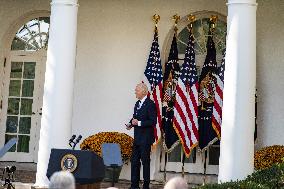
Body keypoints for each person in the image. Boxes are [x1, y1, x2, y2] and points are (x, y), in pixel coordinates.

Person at [126, 83, 157, 189]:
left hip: (146, 139)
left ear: (143, 92)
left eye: (137, 90)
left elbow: (153, 121)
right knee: (134, 162)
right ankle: (134, 186)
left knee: (145, 162)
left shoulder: (150, 104)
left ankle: (146, 186)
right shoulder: (137, 103)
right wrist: (130, 124)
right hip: (137, 138)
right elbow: (135, 117)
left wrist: (138, 123)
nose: (135, 92)